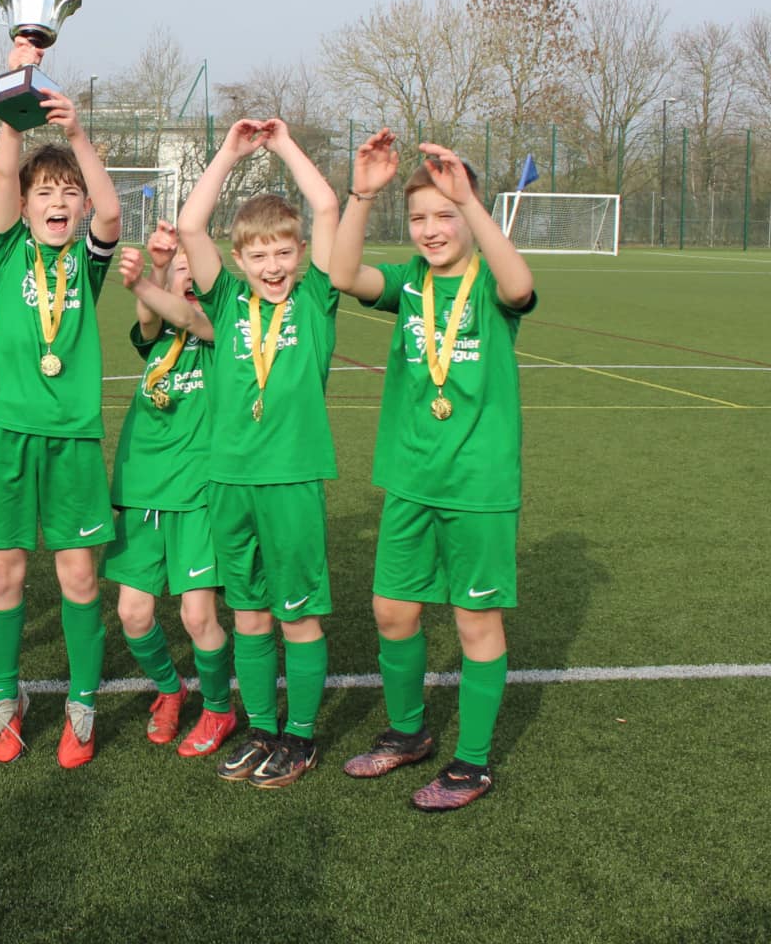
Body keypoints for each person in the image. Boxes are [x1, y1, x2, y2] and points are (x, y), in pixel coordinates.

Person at [328, 129, 537, 811]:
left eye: (443, 214)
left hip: (477, 483)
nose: (430, 229)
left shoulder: (490, 289)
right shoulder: (408, 282)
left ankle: (472, 763)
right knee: (392, 611)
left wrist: (469, 201)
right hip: (412, 478)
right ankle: (408, 733)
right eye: (419, 217)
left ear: (470, 215)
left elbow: (521, 283)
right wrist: (361, 194)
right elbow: (340, 274)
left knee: (475, 620)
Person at [176, 118, 342, 789]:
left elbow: (328, 206)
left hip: (292, 478)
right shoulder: (227, 298)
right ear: (239, 260)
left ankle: (299, 738)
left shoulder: (317, 299)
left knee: (297, 613)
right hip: (230, 479)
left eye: (283, 254)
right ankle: (263, 729)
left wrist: (283, 145)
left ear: (300, 254)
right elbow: (192, 227)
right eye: (259, 256)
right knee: (247, 613)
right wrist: (228, 153)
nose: (272, 268)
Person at [0, 38, 121, 767]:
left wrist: (75, 134)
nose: (58, 201)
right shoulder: (8, 251)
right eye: (46, 193)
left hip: (72, 437)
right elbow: (6, 164)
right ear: (26, 205)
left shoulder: (86, 265)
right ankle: (6, 698)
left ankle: (83, 705)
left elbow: (114, 215)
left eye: (69, 192)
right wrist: (16, 95)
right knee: (3, 573)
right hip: (8, 433)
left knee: (77, 576)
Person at [101, 221, 237, 760]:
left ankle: (221, 709)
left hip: (196, 495)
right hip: (142, 489)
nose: (187, 278)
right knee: (134, 614)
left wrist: (144, 281)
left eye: (192, 271)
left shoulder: (217, 331)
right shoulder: (159, 337)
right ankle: (169, 690)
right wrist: (156, 267)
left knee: (197, 617)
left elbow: (186, 315)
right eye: (179, 271)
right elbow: (153, 317)